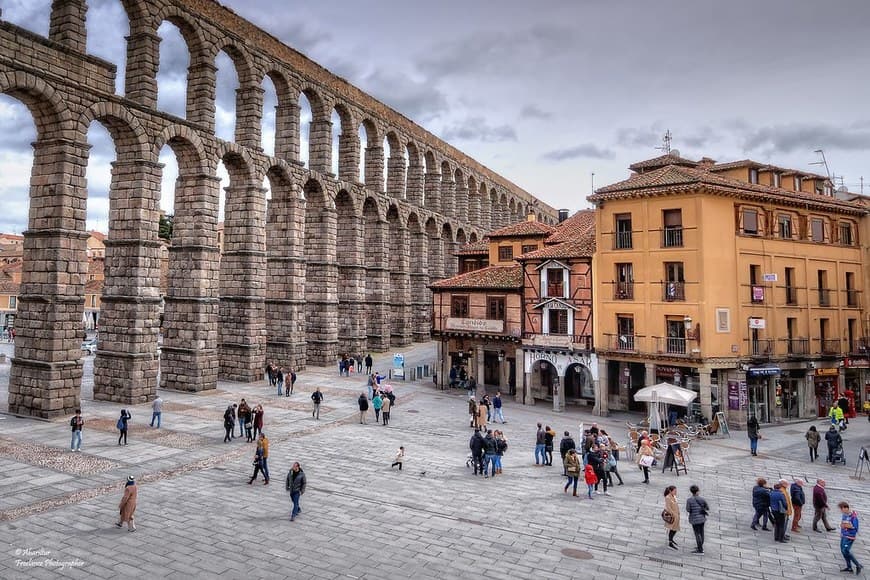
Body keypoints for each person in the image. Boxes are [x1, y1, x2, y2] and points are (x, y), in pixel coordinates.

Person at [838, 501, 863, 574]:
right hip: (844, 535)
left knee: (846, 551)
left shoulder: (853, 517)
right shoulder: (844, 515)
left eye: (842, 509)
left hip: (849, 536)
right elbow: (842, 524)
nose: (841, 511)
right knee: (843, 551)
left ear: (846, 508)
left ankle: (858, 565)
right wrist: (842, 532)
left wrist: (846, 526)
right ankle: (849, 567)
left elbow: (855, 528)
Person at [685, 484, 709, 554]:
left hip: (694, 519)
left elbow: (688, 509)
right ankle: (700, 546)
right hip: (702, 518)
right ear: (697, 491)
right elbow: (707, 508)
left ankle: (700, 550)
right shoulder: (702, 499)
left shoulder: (689, 500)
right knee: (701, 533)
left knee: (697, 534)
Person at [663, 485, 680, 550]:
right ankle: (670, 543)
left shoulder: (674, 496)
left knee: (675, 529)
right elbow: (668, 508)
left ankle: (671, 539)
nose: (676, 492)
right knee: (672, 529)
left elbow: (676, 504)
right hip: (673, 516)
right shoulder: (667, 497)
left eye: (676, 491)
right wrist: (674, 514)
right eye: (674, 491)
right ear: (670, 491)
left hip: (677, 515)